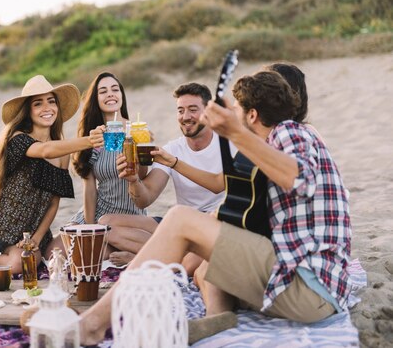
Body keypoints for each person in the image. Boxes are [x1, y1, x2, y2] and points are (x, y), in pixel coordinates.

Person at [80, 70, 351, 345]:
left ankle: (92, 324)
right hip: (302, 285)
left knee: (180, 219)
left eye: (236, 110)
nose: (230, 115)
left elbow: (300, 179)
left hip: (309, 287)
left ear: (252, 115)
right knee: (204, 260)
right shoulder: (270, 144)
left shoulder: (291, 132)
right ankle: (217, 316)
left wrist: (234, 132)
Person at [0, 75, 103, 275]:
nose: (47, 108)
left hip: (29, 232)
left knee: (21, 264)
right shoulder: (18, 138)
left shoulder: (62, 153)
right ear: (28, 111)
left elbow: (53, 203)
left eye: (51, 101)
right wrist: (90, 140)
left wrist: (37, 238)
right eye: (38, 103)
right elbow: (44, 150)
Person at [103, 83, 225, 268]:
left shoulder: (226, 143)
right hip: (182, 225)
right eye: (180, 110)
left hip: (215, 224)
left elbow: (219, 184)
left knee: (192, 263)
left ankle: (143, 258)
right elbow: (145, 199)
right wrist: (134, 180)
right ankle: (168, 254)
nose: (185, 117)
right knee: (106, 224)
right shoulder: (172, 149)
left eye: (193, 110)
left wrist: (174, 163)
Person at [68, 72, 146, 226]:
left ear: (121, 96)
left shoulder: (137, 131)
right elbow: (89, 190)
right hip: (97, 214)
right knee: (57, 248)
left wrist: (141, 148)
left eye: (115, 89)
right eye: (103, 91)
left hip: (132, 218)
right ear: (95, 100)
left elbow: (143, 177)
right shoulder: (94, 137)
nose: (110, 94)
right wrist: (90, 229)